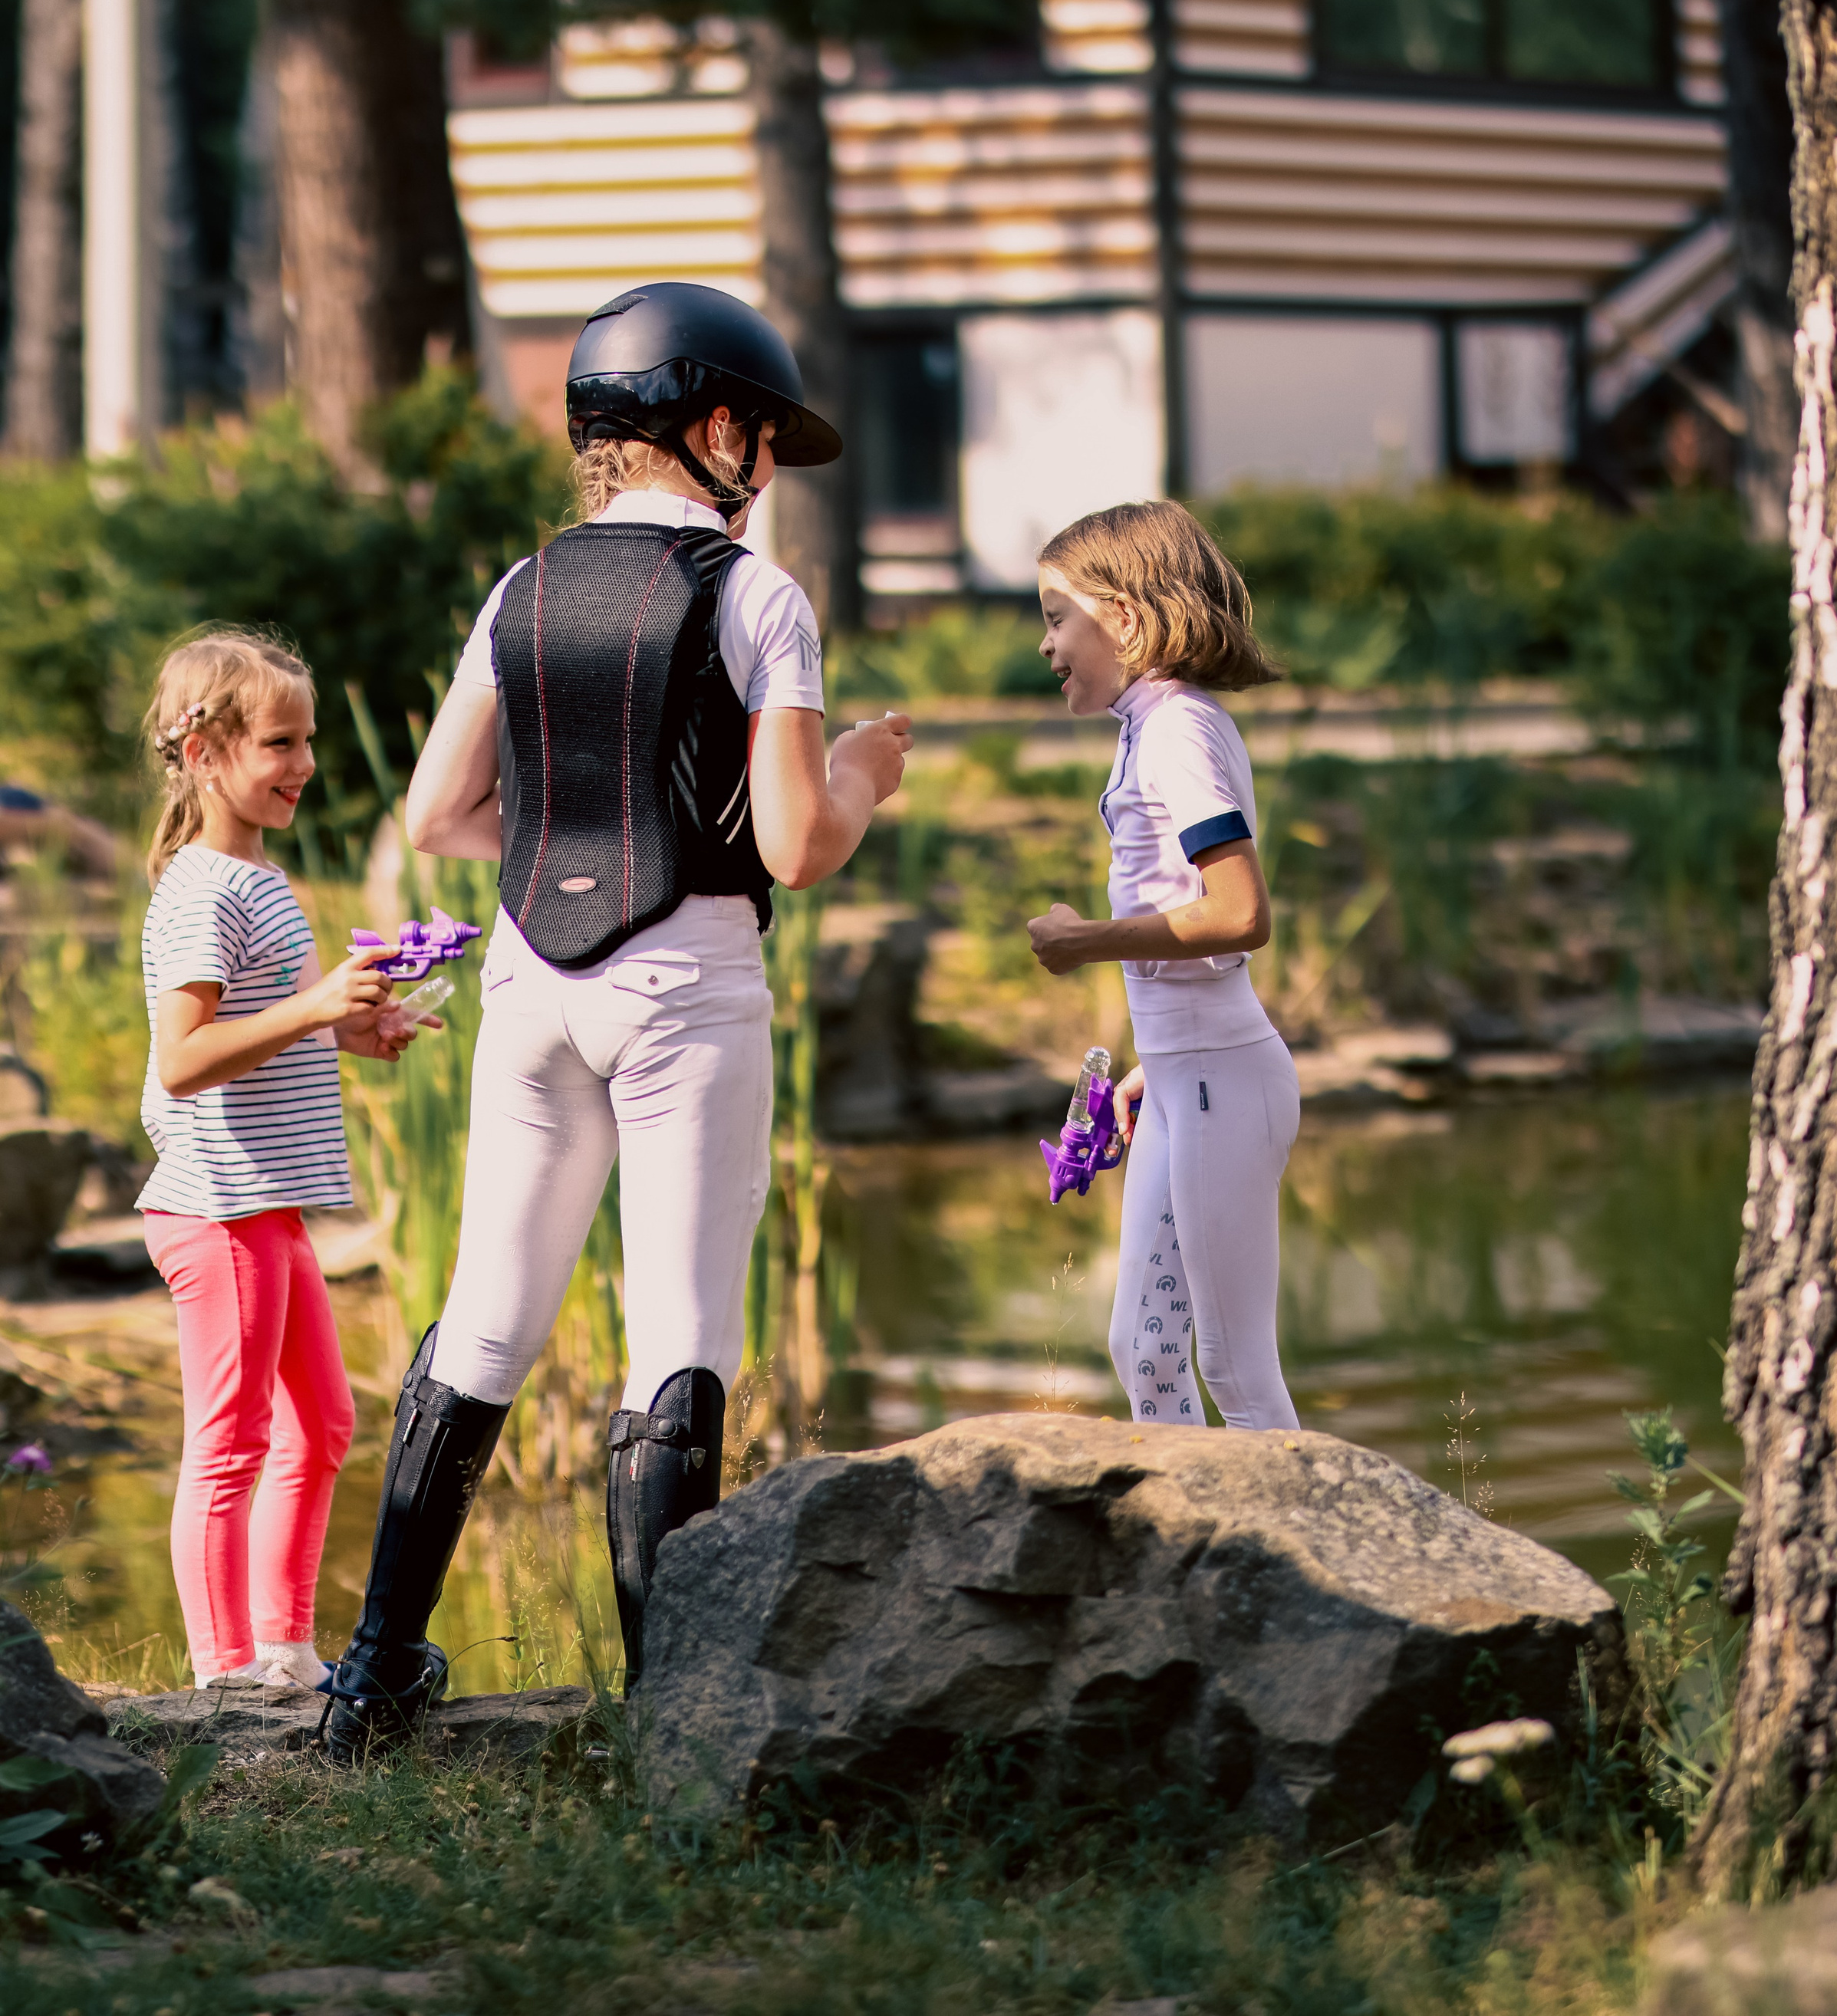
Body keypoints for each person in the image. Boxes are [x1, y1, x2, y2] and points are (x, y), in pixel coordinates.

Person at [324, 281, 910, 1755]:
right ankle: (671, 1726)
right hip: (685, 991)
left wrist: (577, 824)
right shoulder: (756, 594)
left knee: (486, 1320)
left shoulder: (516, 592)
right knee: (679, 1337)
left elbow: (439, 812)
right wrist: (857, 774)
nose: (766, 470)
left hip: (530, 988)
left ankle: (372, 1677)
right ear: (714, 427)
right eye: (762, 438)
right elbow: (793, 845)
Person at [137, 630, 423, 1692]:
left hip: (270, 1202)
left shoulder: (258, 875)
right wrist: (315, 1001)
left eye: (305, 739)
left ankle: (287, 1654)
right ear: (207, 750)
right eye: (280, 742)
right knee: (231, 1442)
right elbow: (181, 1060)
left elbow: (267, 1023)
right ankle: (223, 1680)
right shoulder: (201, 892)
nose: (303, 762)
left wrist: (350, 1026)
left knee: (327, 1422)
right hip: (218, 1209)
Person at [1025, 502, 1302, 1431]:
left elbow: (1239, 912)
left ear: (1128, 621)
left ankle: (1292, 1570)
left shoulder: (1178, 727)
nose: (1046, 645)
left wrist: (1085, 940)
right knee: (1143, 1351)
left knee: (1232, 1363)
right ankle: (1190, 1563)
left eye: (1059, 618)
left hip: (1225, 1079)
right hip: (1188, 1079)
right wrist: (1156, 1065)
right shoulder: (1148, 725)